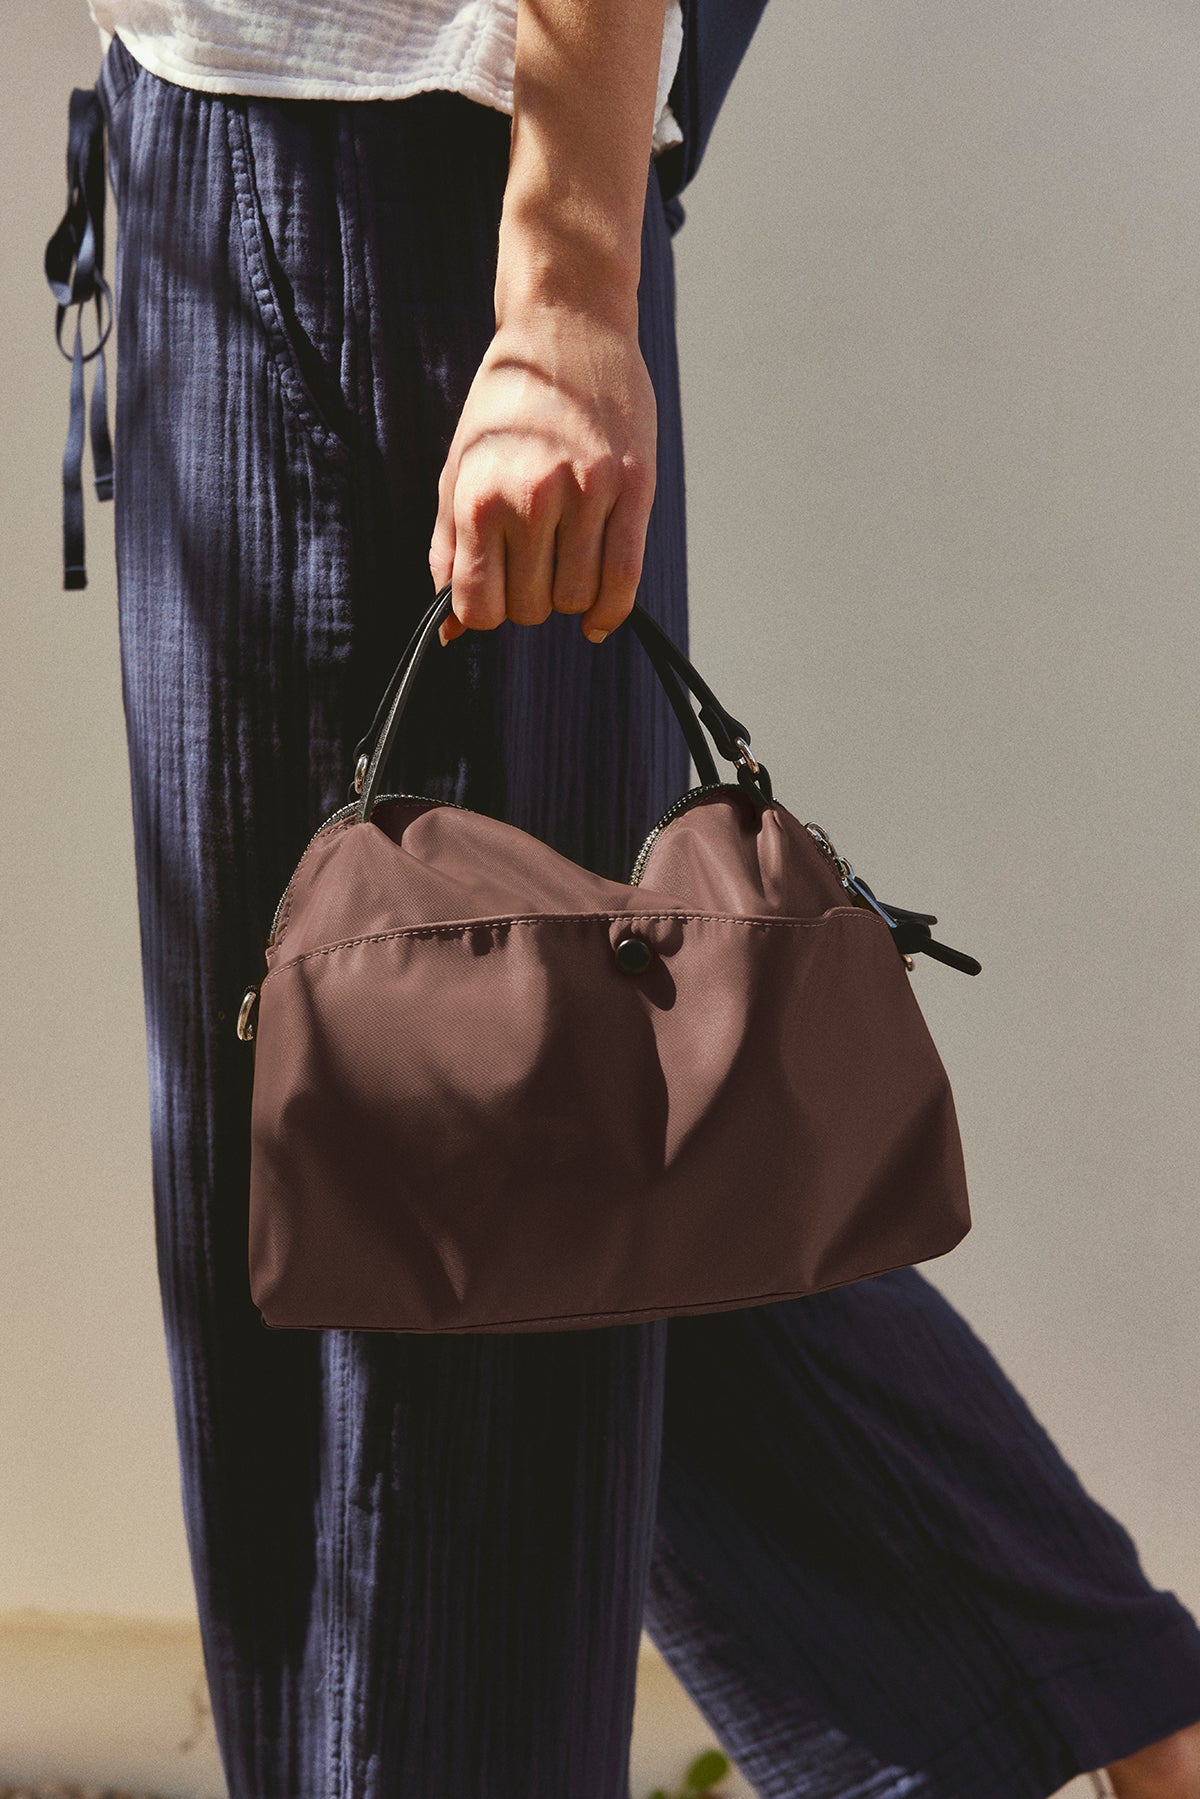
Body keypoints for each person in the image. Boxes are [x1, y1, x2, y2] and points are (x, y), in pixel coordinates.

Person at [44, 1, 1200, 1794]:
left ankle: (1094, 1695)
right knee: (532, 1154)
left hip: (393, 149)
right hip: (245, 123)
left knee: (427, 1272)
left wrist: (565, 285)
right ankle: (1097, 1701)